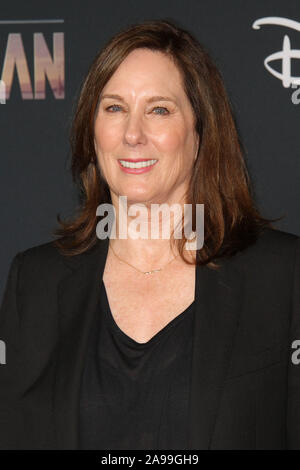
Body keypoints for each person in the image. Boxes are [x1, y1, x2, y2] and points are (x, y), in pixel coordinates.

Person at [0, 18, 299, 450]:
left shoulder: (282, 275)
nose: (133, 134)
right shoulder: (35, 282)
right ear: (93, 129)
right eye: (114, 108)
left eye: (159, 109)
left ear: (200, 132)